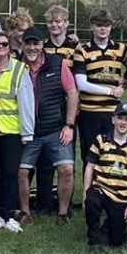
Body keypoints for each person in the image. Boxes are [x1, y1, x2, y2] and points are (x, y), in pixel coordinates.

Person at [17, 27, 78, 225]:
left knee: (67, 169)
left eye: (36, 43)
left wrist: (69, 125)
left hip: (55, 129)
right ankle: (25, 212)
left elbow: (72, 93)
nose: (32, 48)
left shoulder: (57, 63)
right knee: (22, 172)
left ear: (42, 44)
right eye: (28, 43)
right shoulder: (16, 65)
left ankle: (62, 213)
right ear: (23, 45)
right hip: (28, 131)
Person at [0, 31, 34, 233]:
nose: (1, 47)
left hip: (11, 131)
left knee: (11, 173)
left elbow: (26, 102)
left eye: (4, 44)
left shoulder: (19, 69)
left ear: (10, 48)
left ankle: (9, 215)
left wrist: (27, 132)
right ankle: (0, 214)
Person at [72, 8, 127, 168]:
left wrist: (125, 83)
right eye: (99, 25)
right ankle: (88, 185)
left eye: (106, 25)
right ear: (91, 26)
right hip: (89, 113)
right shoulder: (82, 50)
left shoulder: (121, 49)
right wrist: (111, 91)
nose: (102, 29)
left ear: (111, 27)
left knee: (112, 154)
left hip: (112, 113)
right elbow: (81, 84)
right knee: (89, 156)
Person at [83, 102, 127, 254]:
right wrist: (86, 192)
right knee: (92, 200)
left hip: (121, 197)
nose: (123, 122)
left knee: (117, 241)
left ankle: (109, 226)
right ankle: (94, 242)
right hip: (102, 190)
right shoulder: (101, 140)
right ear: (113, 119)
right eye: (120, 118)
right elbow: (90, 166)